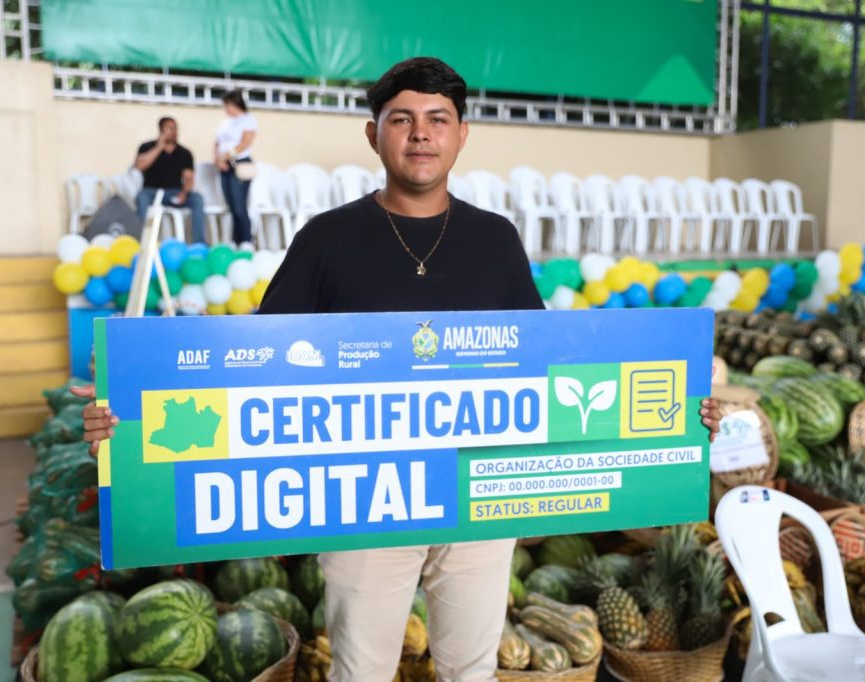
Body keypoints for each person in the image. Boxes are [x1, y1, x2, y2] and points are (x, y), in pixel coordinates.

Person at [77, 58, 724, 682]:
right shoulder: (326, 240)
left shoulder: (495, 240)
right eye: (402, 119)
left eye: (438, 119)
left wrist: (679, 415)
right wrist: (129, 419)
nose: (421, 134)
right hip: (364, 502)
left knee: (471, 672)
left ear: (462, 134)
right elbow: (250, 362)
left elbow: (550, 365)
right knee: (361, 672)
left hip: (477, 500)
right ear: (373, 133)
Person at [133, 117, 207, 243]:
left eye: (175, 128)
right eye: (169, 129)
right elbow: (140, 166)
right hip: (151, 192)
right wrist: (159, 147)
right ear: (161, 130)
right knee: (141, 197)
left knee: (197, 199)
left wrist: (184, 193)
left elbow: (189, 178)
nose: (174, 132)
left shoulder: (184, 153)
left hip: (175, 192)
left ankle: (199, 242)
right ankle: (143, 241)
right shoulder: (147, 147)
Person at [215, 90, 258, 244]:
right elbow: (217, 142)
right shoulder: (225, 122)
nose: (226, 109)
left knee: (240, 206)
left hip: (240, 164)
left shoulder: (248, 120)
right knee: (232, 206)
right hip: (224, 166)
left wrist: (227, 155)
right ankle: (236, 240)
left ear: (235, 104)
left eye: (228, 105)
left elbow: (245, 142)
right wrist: (218, 160)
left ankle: (246, 240)